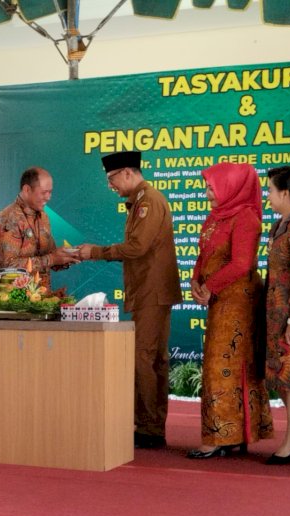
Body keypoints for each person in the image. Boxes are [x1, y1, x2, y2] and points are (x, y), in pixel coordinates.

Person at [79, 151, 182, 449]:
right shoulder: (140, 200)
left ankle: (149, 427)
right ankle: (151, 424)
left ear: (127, 173)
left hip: (152, 291)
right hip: (150, 290)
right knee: (153, 360)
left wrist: (95, 252)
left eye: (112, 179)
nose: (111, 186)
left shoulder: (147, 201)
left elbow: (137, 248)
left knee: (144, 358)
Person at [186, 162, 273, 458]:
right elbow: (204, 253)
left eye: (212, 187)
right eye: (208, 187)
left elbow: (241, 264)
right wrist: (196, 280)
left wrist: (211, 286)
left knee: (221, 367)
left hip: (238, 301)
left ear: (230, 186)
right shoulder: (215, 216)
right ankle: (231, 434)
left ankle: (220, 435)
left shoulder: (246, 217)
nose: (208, 192)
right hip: (218, 298)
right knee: (223, 366)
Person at [264, 165, 290, 465]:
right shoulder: (279, 225)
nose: (268, 196)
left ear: (285, 193)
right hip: (277, 313)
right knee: (283, 377)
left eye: (271, 190)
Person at [0, 167, 79, 289]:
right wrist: (51, 259)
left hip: (41, 300)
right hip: (12, 301)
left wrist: (68, 257)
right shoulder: (8, 218)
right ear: (27, 189)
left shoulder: (44, 217)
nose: (48, 197)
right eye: (44, 192)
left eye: (50, 192)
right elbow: (9, 266)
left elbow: (50, 256)